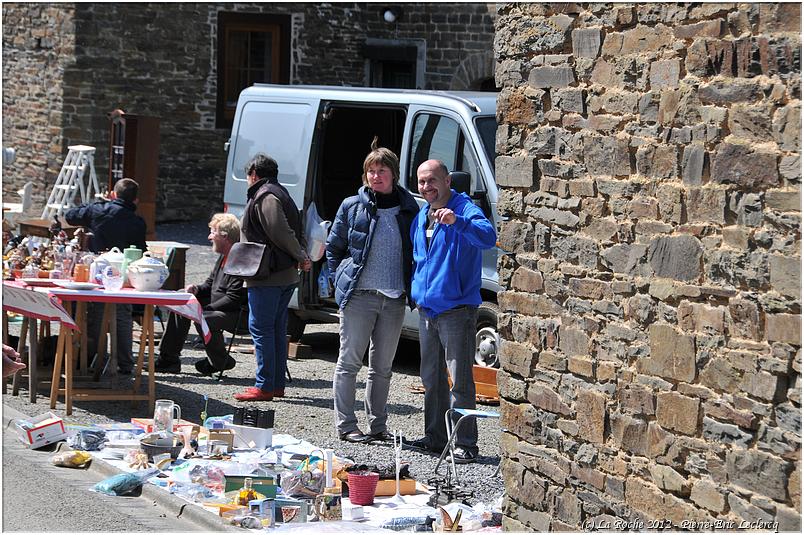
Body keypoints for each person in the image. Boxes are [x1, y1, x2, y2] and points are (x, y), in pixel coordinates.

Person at [325, 141, 419, 444]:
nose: (376, 176)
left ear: (394, 175)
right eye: (371, 171)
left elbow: (415, 252)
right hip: (359, 297)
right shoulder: (351, 206)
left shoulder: (408, 208)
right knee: (349, 362)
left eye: (382, 171)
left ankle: (378, 427)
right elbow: (334, 248)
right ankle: (347, 425)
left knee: (383, 368)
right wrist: (340, 279)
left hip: (393, 300)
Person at [405, 160, 496, 463]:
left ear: (447, 181)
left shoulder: (464, 209)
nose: (426, 187)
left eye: (432, 180)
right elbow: (420, 260)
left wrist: (458, 222)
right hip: (428, 310)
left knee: (460, 381)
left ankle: (466, 444)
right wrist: (416, 293)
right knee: (431, 378)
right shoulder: (421, 215)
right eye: (421, 182)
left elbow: (487, 237)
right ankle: (435, 438)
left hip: (457, 310)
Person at [233, 154, 311, 402]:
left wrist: (301, 255)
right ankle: (275, 384)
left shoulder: (265, 195)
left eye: (247, 176)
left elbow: (279, 230)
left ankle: (265, 385)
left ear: (254, 173)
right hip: (282, 274)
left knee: (262, 329)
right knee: (276, 329)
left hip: (267, 274)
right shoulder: (279, 192)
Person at [65, 178, 147, 374]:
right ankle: (125, 363)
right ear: (135, 200)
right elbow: (141, 250)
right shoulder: (137, 222)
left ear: (113, 194)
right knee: (122, 317)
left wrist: (97, 203)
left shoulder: (98, 209)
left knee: (95, 314)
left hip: (98, 269)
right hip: (123, 272)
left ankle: (93, 361)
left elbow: (70, 216)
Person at [154, 213, 247, 375]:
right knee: (181, 304)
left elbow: (233, 298)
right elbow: (210, 285)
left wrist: (204, 310)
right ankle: (168, 359)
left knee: (202, 318)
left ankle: (219, 361)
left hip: (236, 313)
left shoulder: (239, 260)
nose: (209, 237)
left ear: (225, 237)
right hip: (218, 307)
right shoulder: (223, 257)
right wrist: (196, 289)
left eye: (213, 232)